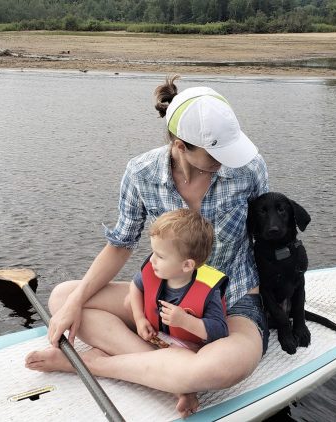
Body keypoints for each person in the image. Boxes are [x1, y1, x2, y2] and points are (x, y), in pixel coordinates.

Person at [25, 75, 269, 418]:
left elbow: (267, 240)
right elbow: (120, 246)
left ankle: (94, 364)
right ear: (181, 146)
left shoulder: (248, 168)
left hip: (232, 302)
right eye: (215, 154)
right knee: (64, 298)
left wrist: (284, 301)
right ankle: (168, 366)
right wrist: (74, 305)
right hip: (164, 298)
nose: (227, 159)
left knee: (219, 369)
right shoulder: (141, 173)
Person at [129, 208, 228, 351]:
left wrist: (185, 321)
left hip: (189, 349)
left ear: (187, 265)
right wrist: (139, 319)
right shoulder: (154, 271)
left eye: (160, 256)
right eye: (153, 252)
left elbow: (220, 331)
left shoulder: (209, 292)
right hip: (158, 337)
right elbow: (135, 286)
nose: (151, 260)